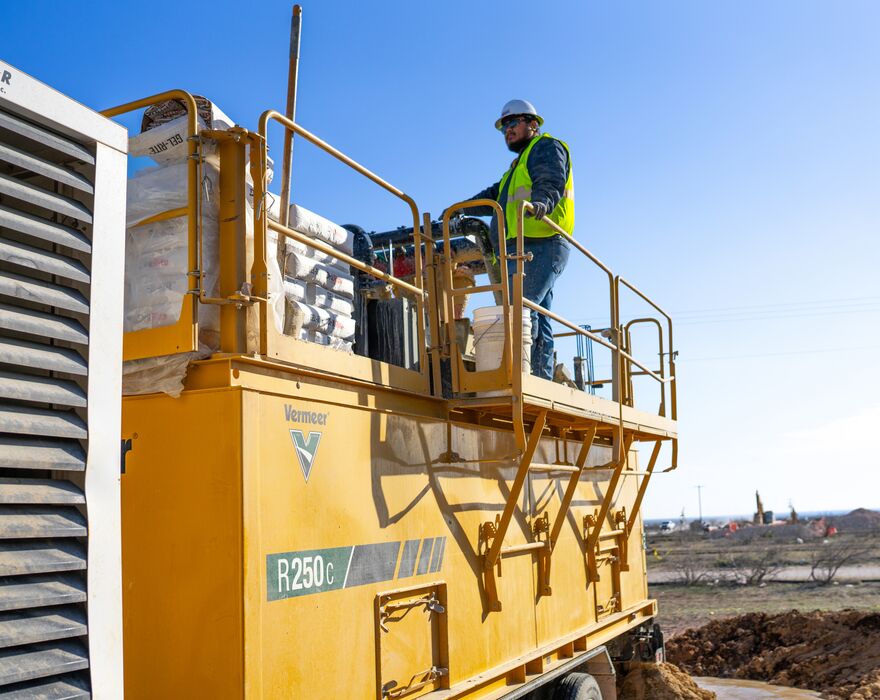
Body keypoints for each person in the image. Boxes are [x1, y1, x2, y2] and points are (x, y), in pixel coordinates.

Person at [444, 99, 574, 381]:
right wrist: (460, 208)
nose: (507, 131)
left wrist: (542, 202)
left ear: (533, 124)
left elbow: (551, 181)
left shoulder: (546, 148)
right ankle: (539, 377)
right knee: (535, 314)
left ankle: (525, 379)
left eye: (513, 123)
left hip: (542, 242)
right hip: (522, 248)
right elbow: (493, 197)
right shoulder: (516, 167)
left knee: (520, 311)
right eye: (504, 127)